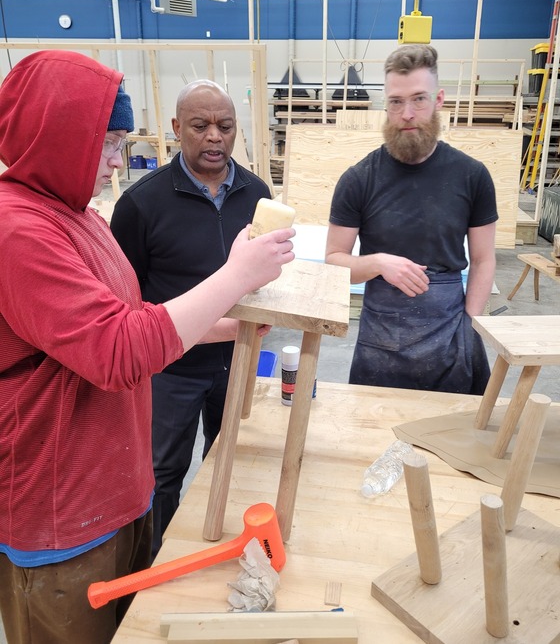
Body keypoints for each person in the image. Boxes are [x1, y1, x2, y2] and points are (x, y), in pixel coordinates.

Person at [0, 50, 294, 644]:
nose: (117, 161)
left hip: (118, 490)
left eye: (121, 141)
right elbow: (117, 350)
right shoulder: (17, 230)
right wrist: (236, 276)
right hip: (64, 514)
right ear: (54, 138)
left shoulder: (76, 215)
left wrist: (228, 326)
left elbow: (133, 316)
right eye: (106, 143)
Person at [110, 79, 272, 559]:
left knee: (232, 463)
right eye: (200, 126)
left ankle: (219, 551)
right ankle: (152, 565)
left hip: (240, 361)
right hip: (170, 370)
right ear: (178, 128)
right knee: (162, 473)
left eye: (225, 126)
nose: (215, 137)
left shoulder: (257, 195)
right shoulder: (141, 205)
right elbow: (125, 306)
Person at [325, 43, 497, 395]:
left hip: (451, 330)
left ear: (439, 100)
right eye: (396, 102)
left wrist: (471, 323)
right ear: (385, 105)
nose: (406, 113)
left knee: (454, 439)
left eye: (419, 99)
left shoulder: (472, 175)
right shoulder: (359, 179)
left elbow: (483, 259)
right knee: (374, 437)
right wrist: (377, 263)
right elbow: (333, 261)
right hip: (381, 338)